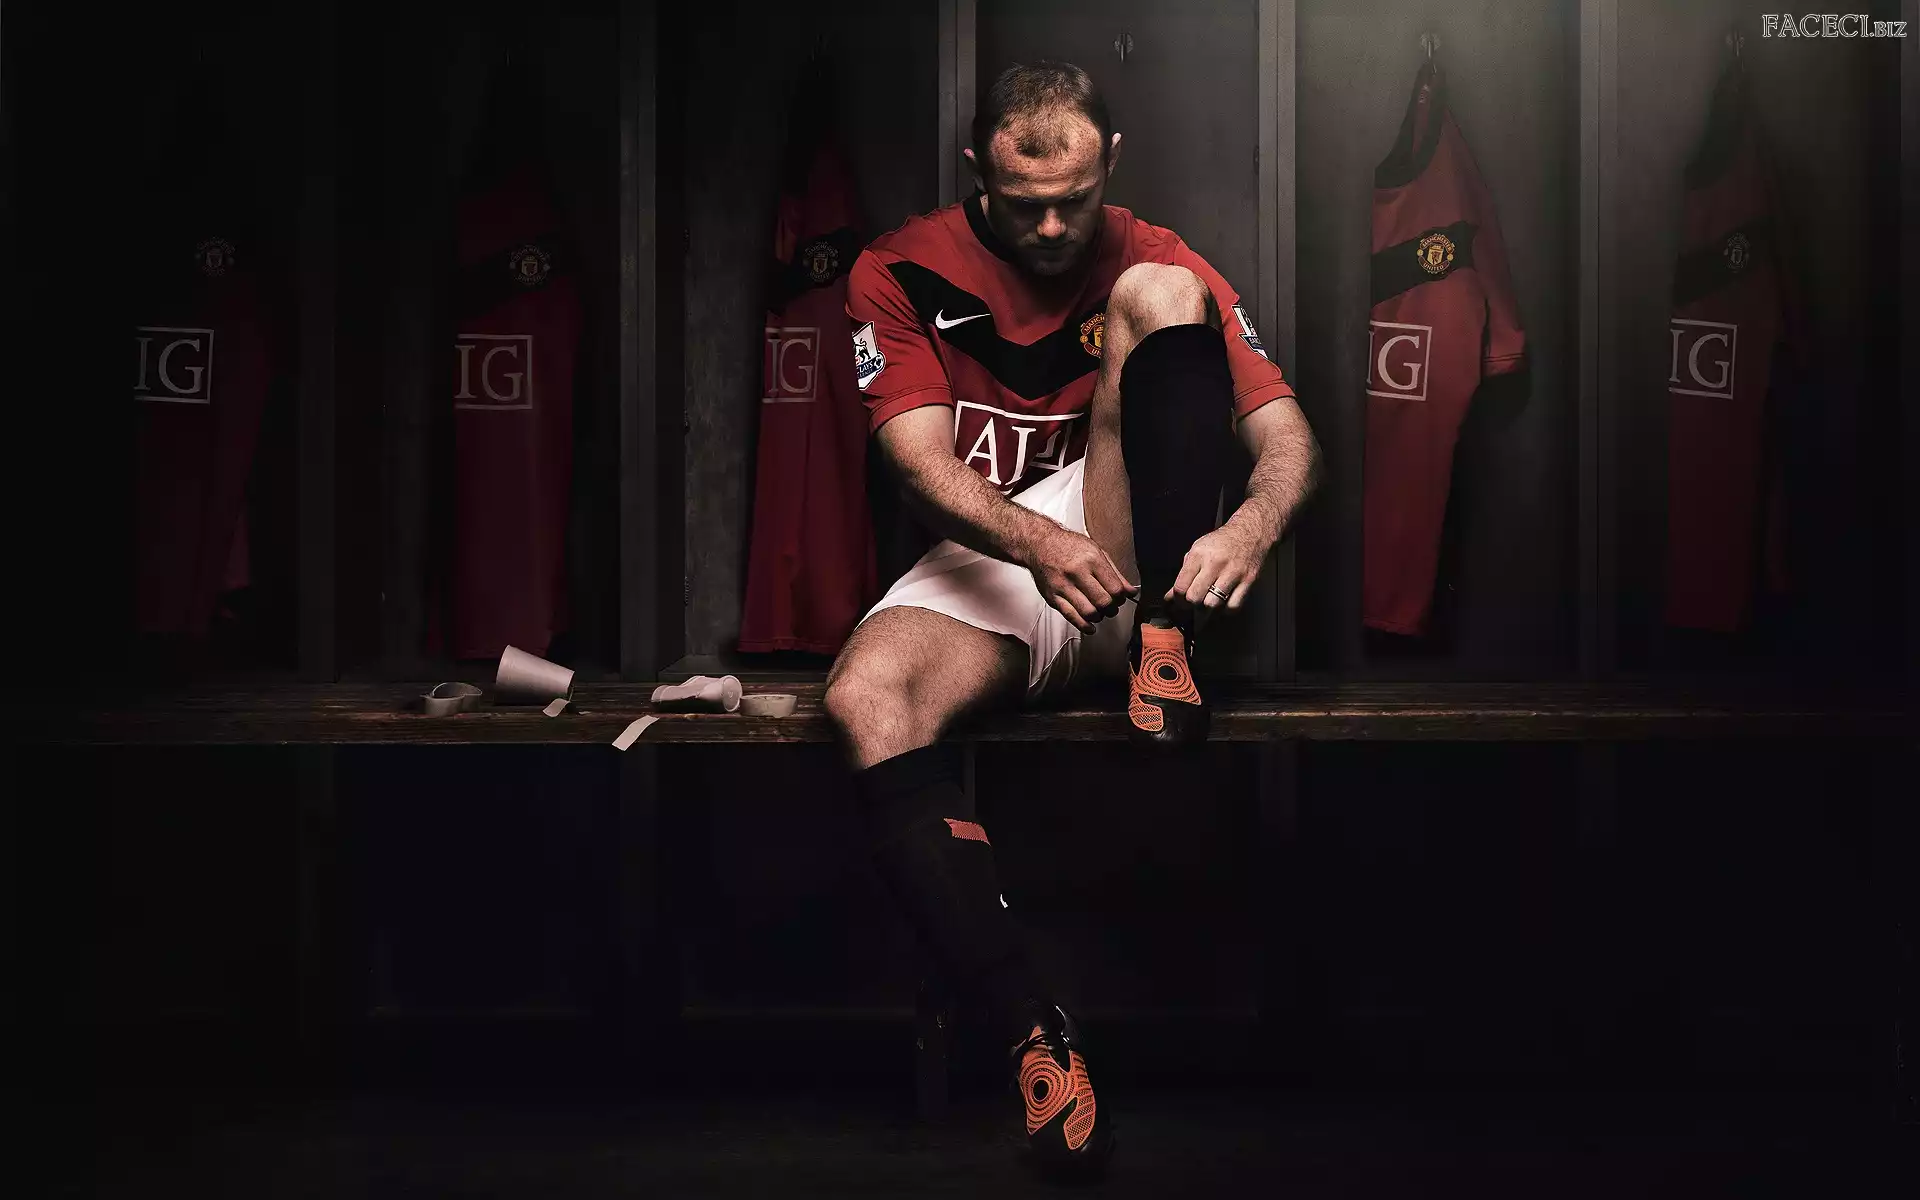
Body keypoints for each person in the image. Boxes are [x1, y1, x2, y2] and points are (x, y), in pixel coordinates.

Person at [825, 61, 1321, 1178]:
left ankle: (1165, 647)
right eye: (1023, 203)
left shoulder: (1154, 251)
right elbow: (917, 464)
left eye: (1075, 201)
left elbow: (1290, 439)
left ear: (1112, 165)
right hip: (1007, 551)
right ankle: (1032, 1035)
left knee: (1161, 293)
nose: (1052, 228)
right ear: (977, 171)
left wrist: (1250, 527)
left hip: (1134, 544)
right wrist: (1038, 547)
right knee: (868, 698)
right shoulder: (898, 268)